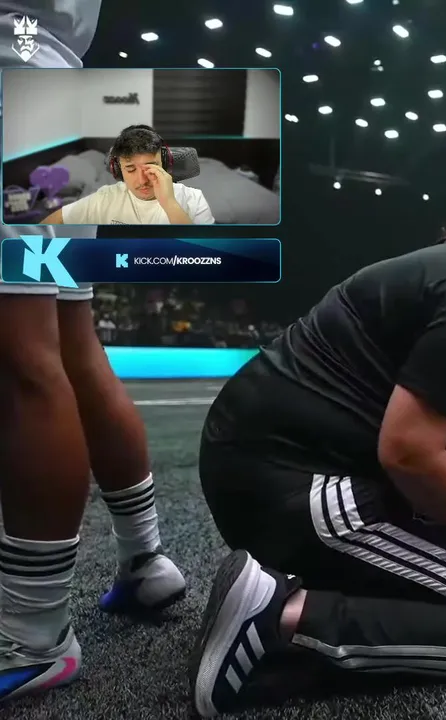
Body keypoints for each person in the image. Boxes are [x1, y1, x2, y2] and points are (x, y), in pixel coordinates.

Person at [189, 187, 446, 718]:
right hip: (294, 482)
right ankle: (277, 618)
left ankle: (281, 598)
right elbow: (409, 453)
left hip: (275, 469)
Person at [0, 1, 187, 704]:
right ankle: (145, 560)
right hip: (49, 91)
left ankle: (33, 635)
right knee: (74, 346)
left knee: (23, 360)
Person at [42, 125, 215, 225]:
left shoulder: (194, 199)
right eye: (131, 169)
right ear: (118, 170)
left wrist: (169, 203)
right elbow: (50, 223)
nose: (142, 180)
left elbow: (206, 257)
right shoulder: (104, 198)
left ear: (165, 163)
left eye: (150, 168)